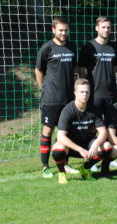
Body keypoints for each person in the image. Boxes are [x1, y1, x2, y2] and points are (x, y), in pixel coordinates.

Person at [34, 16, 77, 178]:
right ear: (53, 30)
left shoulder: (72, 46)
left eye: (66, 30)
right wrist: (43, 88)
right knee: (48, 131)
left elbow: (75, 69)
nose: (63, 33)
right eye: (60, 30)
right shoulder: (47, 48)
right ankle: (45, 167)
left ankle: (64, 164)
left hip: (68, 99)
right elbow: (38, 71)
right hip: (51, 99)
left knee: (65, 132)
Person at [50, 79, 112, 184]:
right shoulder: (68, 110)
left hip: (87, 145)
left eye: (87, 92)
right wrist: (80, 150)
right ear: (75, 93)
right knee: (58, 149)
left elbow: (103, 131)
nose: (85, 94)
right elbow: (61, 136)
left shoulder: (93, 109)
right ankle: (62, 173)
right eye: (82, 92)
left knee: (107, 146)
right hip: (71, 147)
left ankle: (85, 169)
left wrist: (96, 144)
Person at [78, 16, 117, 117]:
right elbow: (80, 68)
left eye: (108, 27)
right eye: (103, 27)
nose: (106, 30)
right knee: (94, 126)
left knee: (111, 125)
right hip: (94, 94)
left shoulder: (114, 47)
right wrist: (86, 85)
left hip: (111, 94)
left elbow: (116, 68)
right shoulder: (88, 47)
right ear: (96, 28)